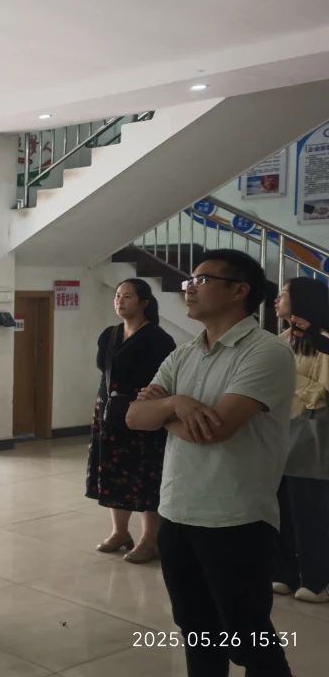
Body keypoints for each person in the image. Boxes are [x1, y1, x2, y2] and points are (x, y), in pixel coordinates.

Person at [127, 249, 294, 677]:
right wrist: (177, 404)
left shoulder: (266, 352)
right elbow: (133, 417)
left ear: (239, 291)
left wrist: (162, 412)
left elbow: (215, 429)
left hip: (235, 518)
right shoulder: (184, 353)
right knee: (198, 633)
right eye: (189, 281)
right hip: (176, 511)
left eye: (202, 280)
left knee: (250, 640)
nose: (189, 288)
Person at [87, 279, 176, 564]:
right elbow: (105, 374)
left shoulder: (158, 339)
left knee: (145, 474)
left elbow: (163, 381)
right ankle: (120, 532)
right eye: (117, 296)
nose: (120, 301)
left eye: (127, 297)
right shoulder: (110, 334)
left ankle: (150, 539)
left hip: (142, 414)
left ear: (144, 302)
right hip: (110, 412)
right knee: (114, 471)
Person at [273, 277, 329, 603]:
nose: (278, 298)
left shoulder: (323, 340)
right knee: (281, 509)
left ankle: (316, 579)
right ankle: (285, 572)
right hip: (280, 434)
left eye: (284, 293)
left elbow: (322, 393)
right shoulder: (280, 341)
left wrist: (288, 381)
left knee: (310, 510)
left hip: (312, 438)